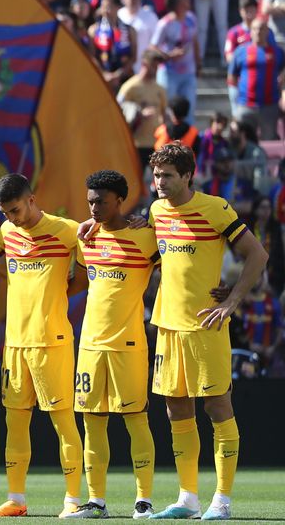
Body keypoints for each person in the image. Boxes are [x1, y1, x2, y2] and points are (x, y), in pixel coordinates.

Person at [133, 144, 264, 519]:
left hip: (206, 324)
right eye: (156, 175)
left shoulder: (216, 208)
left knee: (217, 405)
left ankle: (221, 501)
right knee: (176, 409)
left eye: (167, 175)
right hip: (167, 325)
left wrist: (232, 300)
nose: (159, 182)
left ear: (188, 175)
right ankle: (187, 499)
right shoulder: (156, 211)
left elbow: (257, 255)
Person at [0, 174, 87, 518]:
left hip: (52, 341)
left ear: (31, 199)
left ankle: (73, 499)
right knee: (15, 423)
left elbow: (86, 273)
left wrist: (59, 293)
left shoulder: (67, 230)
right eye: (5, 213)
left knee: (63, 422)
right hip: (14, 342)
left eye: (14, 210)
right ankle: (16, 499)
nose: (11, 218)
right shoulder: (7, 232)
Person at [64, 171, 158, 519]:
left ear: (120, 200)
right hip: (89, 345)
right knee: (92, 422)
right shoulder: (87, 237)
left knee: (136, 420)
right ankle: (96, 501)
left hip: (128, 344)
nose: (94, 207)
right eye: (90, 201)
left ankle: (144, 500)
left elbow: (179, 263)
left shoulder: (145, 238)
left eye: (101, 201)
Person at [229, 17, 285, 141]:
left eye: (261, 29)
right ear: (250, 31)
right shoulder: (241, 51)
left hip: (269, 105)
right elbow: (231, 77)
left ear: (267, 31)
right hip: (246, 105)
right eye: (255, 29)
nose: (258, 32)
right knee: (244, 140)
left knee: (269, 140)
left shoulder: (277, 52)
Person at [151, 0, 200, 124]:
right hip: (168, 73)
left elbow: (195, 41)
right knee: (168, 110)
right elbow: (153, 47)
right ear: (178, 5)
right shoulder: (165, 24)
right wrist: (170, 55)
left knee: (189, 110)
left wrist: (198, 63)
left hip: (188, 72)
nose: (188, 1)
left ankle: (187, 143)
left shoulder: (191, 18)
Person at [118, 50, 169, 167]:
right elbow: (118, 109)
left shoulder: (159, 89)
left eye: (157, 66)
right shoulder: (130, 87)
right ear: (145, 64)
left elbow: (164, 113)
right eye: (154, 66)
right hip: (136, 143)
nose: (156, 70)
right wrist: (139, 114)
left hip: (156, 144)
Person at [89, 0, 135, 89]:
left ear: (117, 8)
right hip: (102, 77)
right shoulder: (94, 30)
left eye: (109, 7)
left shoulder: (129, 30)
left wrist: (119, 74)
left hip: (124, 77)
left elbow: (133, 56)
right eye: (103, 7)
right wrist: (104, 74)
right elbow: (92, 56)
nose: (105, 11)